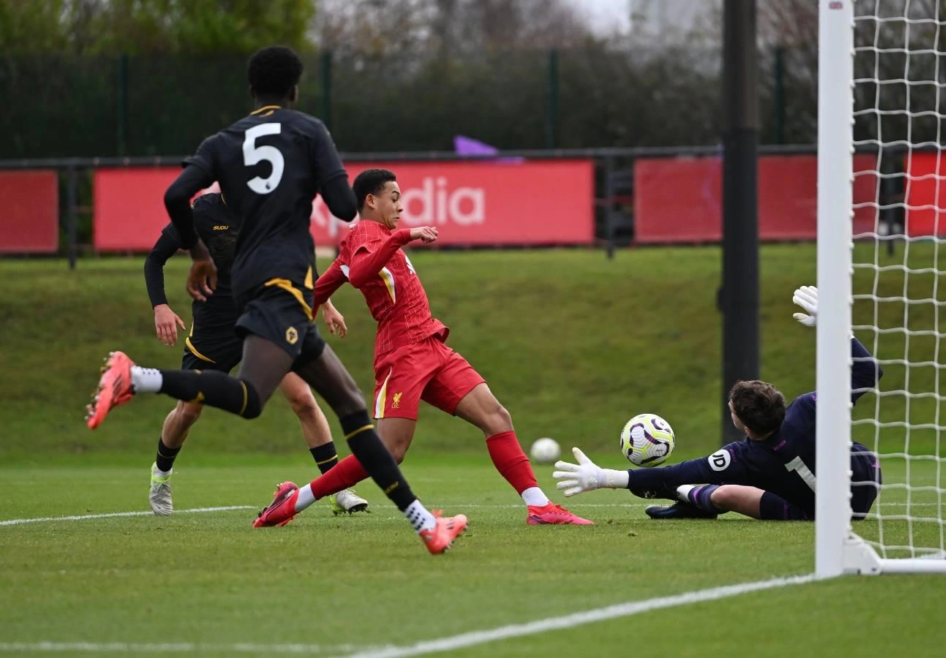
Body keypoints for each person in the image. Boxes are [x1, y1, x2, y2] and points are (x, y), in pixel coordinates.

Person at [86, 45, 467, 555]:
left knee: (352, 408)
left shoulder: (224, 141)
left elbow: (177, 195)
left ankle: (426, 527)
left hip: (265, 288)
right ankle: (135, 377)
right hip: (280, 284)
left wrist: (198, 252)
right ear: (294, 89)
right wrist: (306, 178)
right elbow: (340, 204)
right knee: (249, 399)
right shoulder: (308, 131)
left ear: (251, 90)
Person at [253, 169, 592, 527]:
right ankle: (294, 501)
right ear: (371, 200)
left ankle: (539, 506)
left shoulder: (374, 237)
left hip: (431, 344)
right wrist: (402, 236)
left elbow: (323, 285)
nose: (400, 206)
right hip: (402, 352)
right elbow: (364, 271)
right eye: (394, 197)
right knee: (388, 452)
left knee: (496, 417)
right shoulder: (368, 232)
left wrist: (318, 307)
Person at [552, 286, 883, 522]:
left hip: (815, 515)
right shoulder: (809, 408)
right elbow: (869, 371)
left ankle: (686, 497)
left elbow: (674, 470)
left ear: (743, 423)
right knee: (823, 453)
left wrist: (602, 477)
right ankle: (686, 497)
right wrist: (836, 327)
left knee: (724, 492)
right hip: (863, 486)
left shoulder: (743, 457)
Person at [143, 193, 367, 517]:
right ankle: (161, 476)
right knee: (189, 411)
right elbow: (155, 259)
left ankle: (337, 488)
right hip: (215, 327)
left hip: (265, 319)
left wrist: (326, 303)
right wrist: (160, 306)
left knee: (303, 399)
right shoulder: (202, 211)